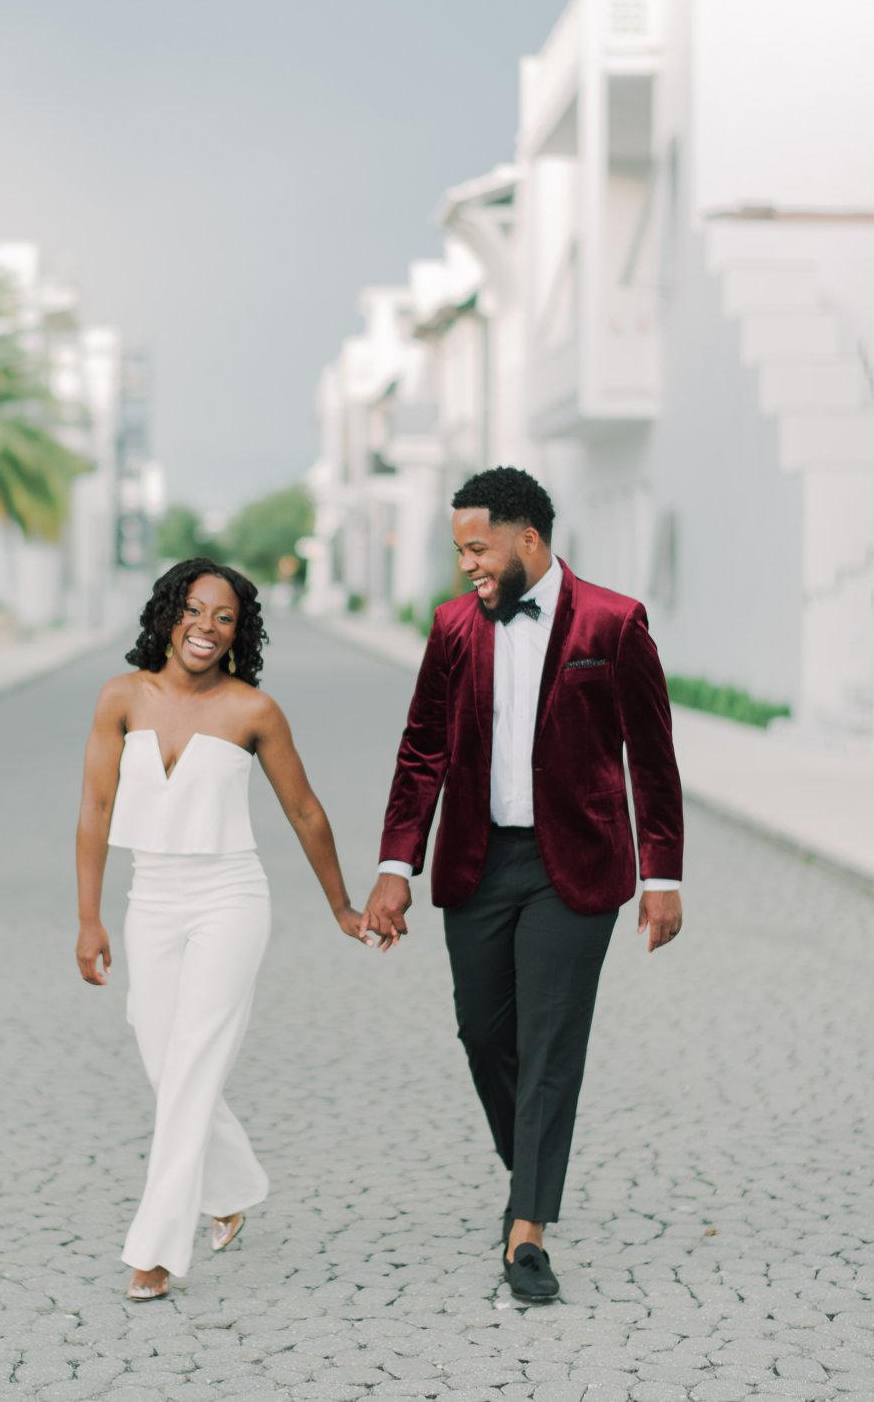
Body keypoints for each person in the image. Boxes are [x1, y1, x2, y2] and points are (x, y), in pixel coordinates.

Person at [361, 467, 683, 1304]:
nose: (466, 562)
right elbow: (421, 750)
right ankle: (532, 1167)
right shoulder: (454, 628)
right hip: (477, 862)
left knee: (549, 1042)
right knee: (482, 1032)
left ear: (527, 539)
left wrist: (663, 874)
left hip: (574, 864)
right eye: (459, 548)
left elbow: (651, 757)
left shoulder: (614, 622)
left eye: (477, 546)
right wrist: (398, 864)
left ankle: (528, 1231)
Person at [75, 558, 369, 1301]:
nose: (207, 627)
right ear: (169, 612)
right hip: (153, 896)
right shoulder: (121, 697)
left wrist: (341, 905)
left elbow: (304, 810)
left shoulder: (253, 711)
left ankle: (157, 1247)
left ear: (241, 632)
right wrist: (89, 917)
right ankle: (233, 1183)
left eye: (225, 617)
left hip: (230, 898)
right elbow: (96, 811)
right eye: (195, 610)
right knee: (159, 1052)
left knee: (196, 1061)